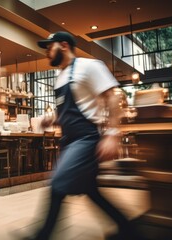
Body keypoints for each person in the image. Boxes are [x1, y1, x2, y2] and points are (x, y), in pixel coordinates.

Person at [25, 31, 135, 240]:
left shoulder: (89, 66)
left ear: (64, 45)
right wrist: (53, 119)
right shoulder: (60, 76)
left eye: (50, 47)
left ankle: (42, 235)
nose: (47, 52)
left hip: (86, 138)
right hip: (67, 140)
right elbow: (72, 109)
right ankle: (127, 227)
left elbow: (111, 98)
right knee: (90, 190)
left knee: (57, 183)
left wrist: (112, 133)